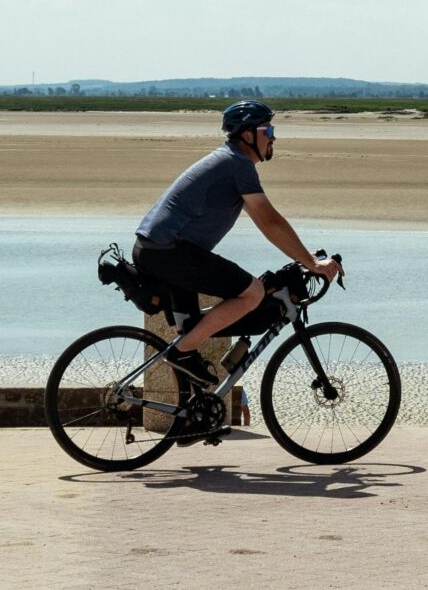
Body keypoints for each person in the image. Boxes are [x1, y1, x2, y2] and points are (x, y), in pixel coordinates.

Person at [131, 100, 337, 386]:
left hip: (158, 250)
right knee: (252, 293)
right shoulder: (237, 164)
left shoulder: (230, 161)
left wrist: (302, 256)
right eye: (268, 129)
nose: (274, 136)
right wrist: (312, 264)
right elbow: (271, 222)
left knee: (192, 330)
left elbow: (265, 223)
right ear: (248, 135)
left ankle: (190, 417)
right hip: (169, 251)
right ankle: (180, 353)